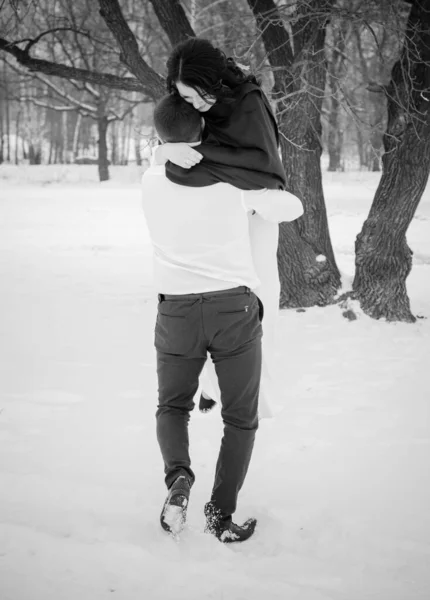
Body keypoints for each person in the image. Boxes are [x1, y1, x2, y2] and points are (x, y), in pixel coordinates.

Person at [142, 94, 303, 543]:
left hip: (175, 308)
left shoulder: (150, 180)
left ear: (162, 138)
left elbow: (161, 155)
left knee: (172, 406)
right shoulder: (232, 184)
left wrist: (165, 150)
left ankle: (179, 477)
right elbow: (292, 209)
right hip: (231, 309)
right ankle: (220, 515)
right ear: (204, 134)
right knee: (240, 418)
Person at [153, 37, 291, 418]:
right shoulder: (195, 104)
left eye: (196, 97)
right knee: (222, 303)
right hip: (219, 218)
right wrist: (166, 150)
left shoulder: (246, 101)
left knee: (263, 302)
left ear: (212, 82)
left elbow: (262, 164)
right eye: (185, 99)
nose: (193, 106)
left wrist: (197, 159)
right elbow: (181, 138)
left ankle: (256, 400)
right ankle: (214, 387)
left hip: (256, 214)